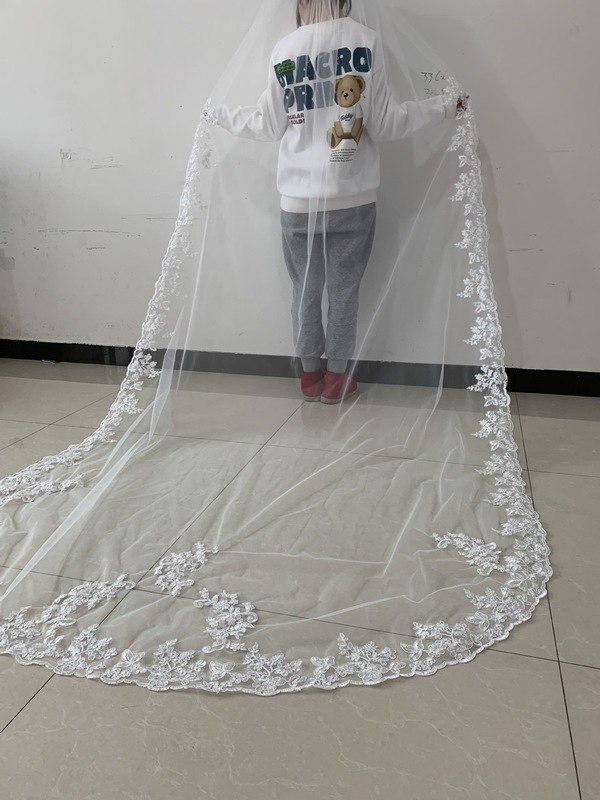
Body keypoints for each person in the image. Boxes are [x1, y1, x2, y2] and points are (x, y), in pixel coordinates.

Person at [210, 0, 468, 403]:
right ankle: (336, 380)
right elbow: (386, 123)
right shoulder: (365, 40)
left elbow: (267, 124)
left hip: (297, 201)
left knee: (304, 292)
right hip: (352, 198)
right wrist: (444, 107)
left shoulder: (286, 49)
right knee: (345, 293)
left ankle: (308, 377)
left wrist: (217, 113)